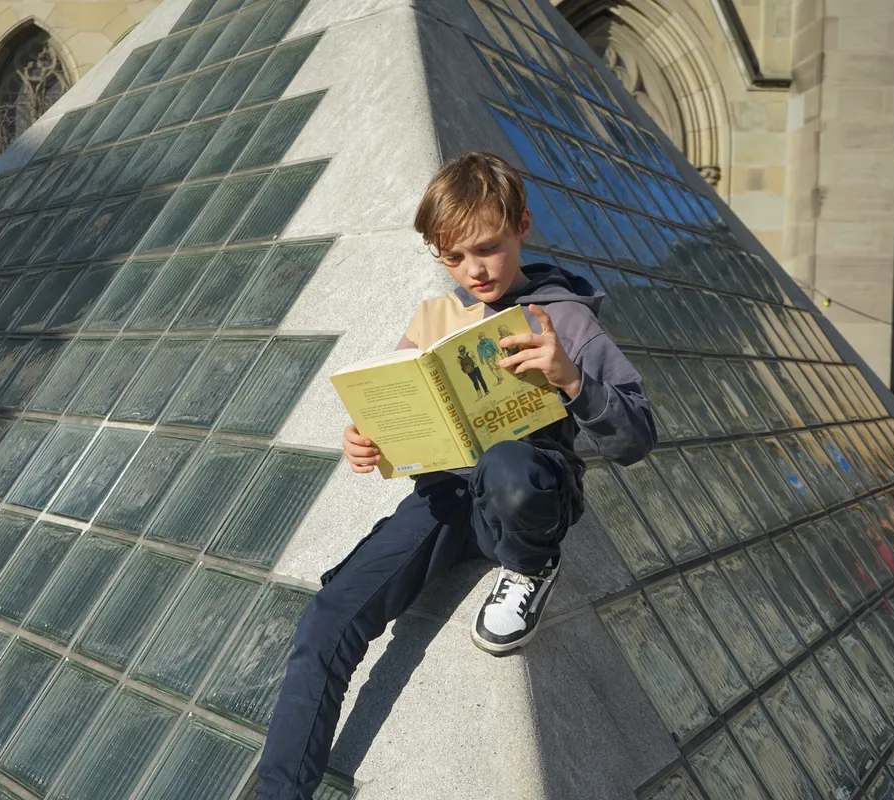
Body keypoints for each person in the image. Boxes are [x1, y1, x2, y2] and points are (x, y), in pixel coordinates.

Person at [255, 151, 657, 800]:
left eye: (487, 248)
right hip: (444, 499)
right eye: (452, 257)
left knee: (507, 464)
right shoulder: (436, 321)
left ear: (523, 225)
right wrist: (370, 442)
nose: (472, 269)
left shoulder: (566, 318)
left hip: (527, 488)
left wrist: (569, 377)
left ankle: (531, 567)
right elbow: (411, 427)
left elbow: (637, 438)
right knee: (328, 617)